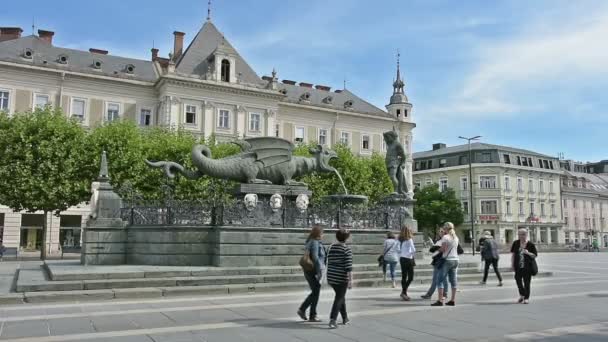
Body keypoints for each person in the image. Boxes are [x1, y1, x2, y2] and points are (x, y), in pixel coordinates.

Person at [297, 225, 326, 322]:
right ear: (318, 234)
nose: (323, 235)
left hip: (310, 270)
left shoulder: (311, 241)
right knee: (316, 291)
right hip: (313, 271)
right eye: (322, 233)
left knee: (315, 291)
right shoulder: (314, 242)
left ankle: (307, 312)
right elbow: (315, 258)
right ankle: (308, 312)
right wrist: (319, 272)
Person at [326, 228, 353, 329]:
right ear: (347, 238)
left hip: (331, 276)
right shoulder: (346, 249)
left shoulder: (331, 247)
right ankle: (333, 319)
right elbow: (348, 267)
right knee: (339, 298)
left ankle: (345, 318)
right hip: (341, 278)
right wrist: (350, 280)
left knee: (340, 296)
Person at [432, 222, 460, 307]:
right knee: (453, 281)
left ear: (446, 228)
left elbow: (443, 249)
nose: (443, 229)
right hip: (455, 260)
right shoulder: (456, 237)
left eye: (444, 228)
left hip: (447, 260)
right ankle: (452, 300)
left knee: (439, 280)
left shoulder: (445, 237)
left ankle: (440, 301)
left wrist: (436, 251)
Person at [511, 229, 538, 304]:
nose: (521, 236)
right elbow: (513, 254)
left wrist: (528, 253)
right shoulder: (516, 243)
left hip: (527, 267)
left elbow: (535, 255)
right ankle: (522, 294)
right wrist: (512, 265)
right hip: (518, 266)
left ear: (526, 235)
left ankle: (526, 298)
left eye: (523, 234)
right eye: (519, 234)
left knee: (527, 283)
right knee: (518, 281)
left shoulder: (530, 244)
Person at [421, 227, 449, 299]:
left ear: (445, 232)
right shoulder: (440, 240)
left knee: (438, 279)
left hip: (441, 261)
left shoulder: (445, 240)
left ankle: (431, 294)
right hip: (439, 261)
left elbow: (433, 249)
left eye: (442, 231)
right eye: (440, 231)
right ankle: (443, 294)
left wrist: (437, 249)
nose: (440, 232)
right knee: (442, 279)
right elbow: (432, 249)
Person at [398, 225, 416, 301]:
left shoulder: (399, 239)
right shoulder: (409, 239)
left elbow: (398, 250)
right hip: (408, 259)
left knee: (404, 276)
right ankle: (404, 292)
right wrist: (409, 255)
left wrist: (402, 255)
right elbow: (413, 250)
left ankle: (404, 293)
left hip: (402, 259)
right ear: (409, 231)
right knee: (411, 277)